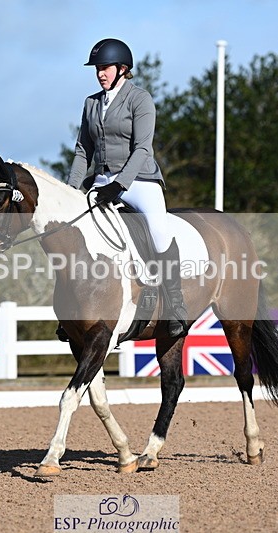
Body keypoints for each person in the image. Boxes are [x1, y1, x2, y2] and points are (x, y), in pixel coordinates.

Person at [66, 38, 187, 337]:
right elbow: (83, 150)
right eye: (97, 69)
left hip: (139, 180)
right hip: (103, 181)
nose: (100, 74)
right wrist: (70, 194)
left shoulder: (140, 99)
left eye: (105, 68)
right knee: (78, 234)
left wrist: (120, 183)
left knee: (159, 231)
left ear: (122, 69)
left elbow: (143, 149)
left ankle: (175, 305)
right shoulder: (91, 103)